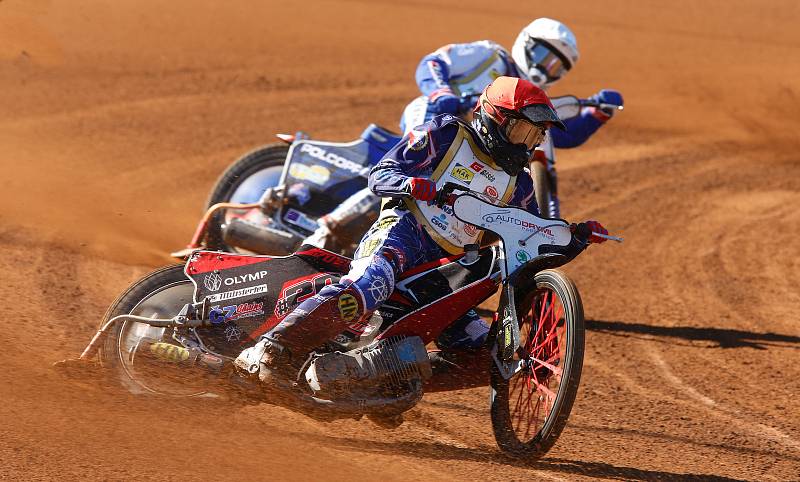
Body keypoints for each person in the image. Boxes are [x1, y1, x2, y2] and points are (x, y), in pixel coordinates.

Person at [236, 77, 608, 396]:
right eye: (523, 130)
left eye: (536, 134)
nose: (528, 143)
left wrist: (574, 239)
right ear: (496, 118)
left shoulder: (521, 183)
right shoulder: (445, 134)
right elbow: (380, 175)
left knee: (490, 355)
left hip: (446, 272)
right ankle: (269, 350)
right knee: (366, 287)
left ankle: (382, 379)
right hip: (401, 234)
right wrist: (416, 185)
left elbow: (530, 241)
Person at [303, 17, 622, 249]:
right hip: (436, 118)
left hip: (475, 146)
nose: (547, 68)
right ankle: (329, 230)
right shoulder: (490, 56)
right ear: (526, 44)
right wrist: (442, 93)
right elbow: (433, 63)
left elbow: (558, 136)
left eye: (558, 67)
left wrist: (597, 116)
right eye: (544, 57)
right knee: (414, 170)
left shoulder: (527, 97)